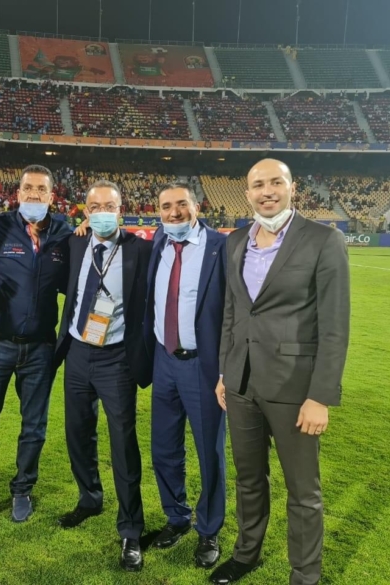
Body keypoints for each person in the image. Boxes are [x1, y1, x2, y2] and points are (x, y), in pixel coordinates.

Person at [210, 159, 350, 585]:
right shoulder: (236, 241)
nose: (267, 191)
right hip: (241, 384)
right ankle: (246, 555)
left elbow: (335, 326)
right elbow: (233, 313)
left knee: (302, 490)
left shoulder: (324, 240)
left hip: (295, 387)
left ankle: (305, 574)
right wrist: (225, 372)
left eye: (275, 182)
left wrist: (320, 395)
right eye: (258, 184)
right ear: (247, 193)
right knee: (249, 479)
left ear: (292, 188)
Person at [0, 165, 72, 538]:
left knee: (34, 427)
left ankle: (22, 489)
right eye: (28, 187)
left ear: (51, 196)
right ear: (18, 193)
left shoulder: (65, 234)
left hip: (40, 348)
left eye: (41, 188)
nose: (34, 194)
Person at [54, 180, 153, 572]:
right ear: (85, 212)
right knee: (77, 433)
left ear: (121, 209)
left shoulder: (140, 249)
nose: (101, 213)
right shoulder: (75, 243)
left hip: (116, 358)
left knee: (122, 442)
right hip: (78, 352)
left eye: (109, 206)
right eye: (94, 207)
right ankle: (89, 498)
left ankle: (130, 529)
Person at [144, 183, 228, 571]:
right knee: (164, 448)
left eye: (181, 204)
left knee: (209, 452)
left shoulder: (219, 247)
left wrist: (224, 369)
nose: (174, 212)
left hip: (202, 367)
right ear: (158, 211)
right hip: (164, 361)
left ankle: (209, 529)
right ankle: (176, 517)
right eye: (166, 206)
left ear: (196, 206)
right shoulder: (159, 241)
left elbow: (233, 312)